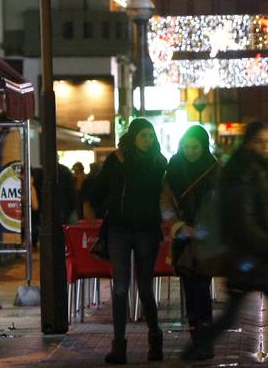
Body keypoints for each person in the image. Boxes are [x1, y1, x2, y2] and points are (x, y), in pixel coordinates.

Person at [184, 122, 268, 367]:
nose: (266, 146)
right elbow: (245, 222)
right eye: (260, 141)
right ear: (248, 143)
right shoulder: (242, 173)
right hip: (246, 257)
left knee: (229, 318)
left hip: (254, 256)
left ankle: (188, 355)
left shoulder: (265, 171)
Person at [91, 118, 168, 364]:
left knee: (145, 288)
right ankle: (119, 346)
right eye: (144, 135)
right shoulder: (115, 160)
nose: (149, 139)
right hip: (119, 229)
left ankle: (155, 339)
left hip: (146, 230)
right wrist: (106, 208)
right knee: (121, 287)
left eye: (151, 135)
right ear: (133, 136)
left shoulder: (158, 162)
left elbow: (149, 186)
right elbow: (100, 187)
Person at [161, 125, 220, 358]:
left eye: (195, 147)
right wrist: (178, 226)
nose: (190, 151)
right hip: (183, 237)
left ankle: (205, 339)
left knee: (202, 284)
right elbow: (165, 201)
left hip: (206, 238)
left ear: (204, 146)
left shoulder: (215, 170)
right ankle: (198, 336)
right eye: (186, 147)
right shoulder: (173, 169)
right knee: (188, 283)